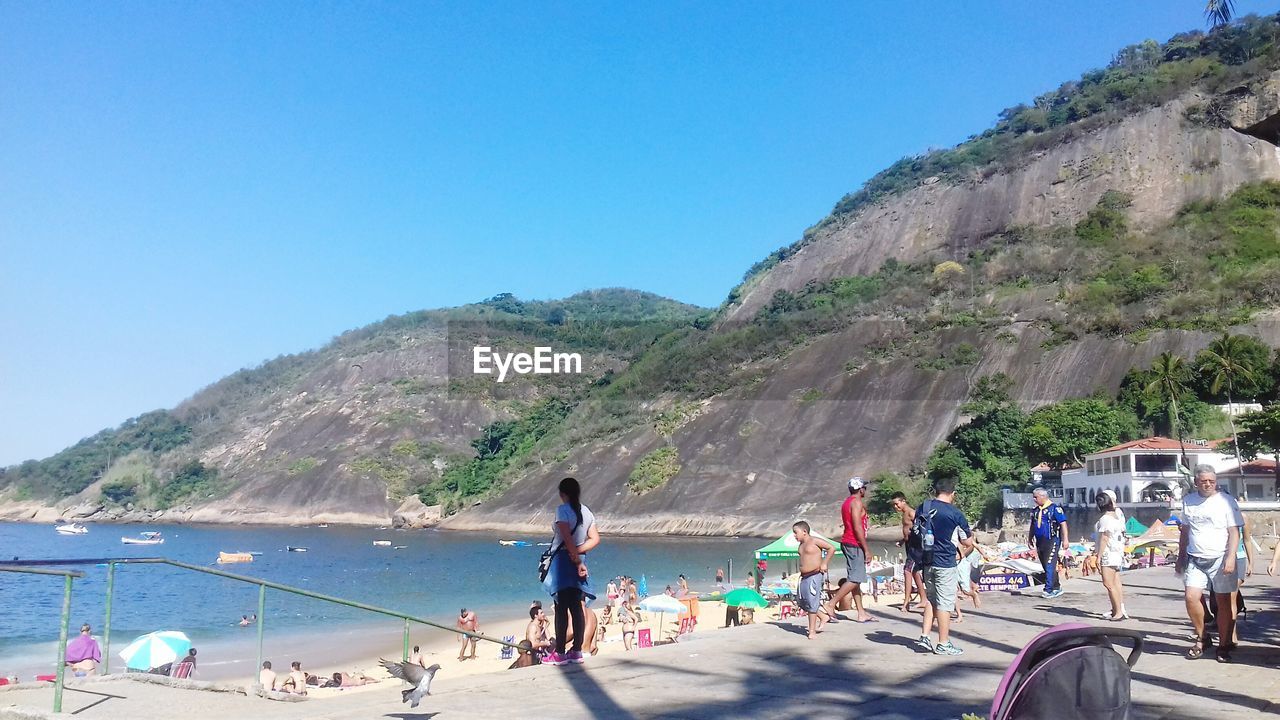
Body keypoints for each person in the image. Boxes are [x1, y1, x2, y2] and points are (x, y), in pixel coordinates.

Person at [1176, 466, 1243, 663]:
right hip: (1195, 558)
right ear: (1196, 482)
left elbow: (1234, 532)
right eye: (1204, 481)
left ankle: (1224, 645)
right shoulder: (1189, 501)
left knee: (1223, 603)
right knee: (1191, 597)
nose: (1208, 484)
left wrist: (1231, 557)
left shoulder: (1226, 501)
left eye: (1211, 481)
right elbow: (1185, 531)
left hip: (1220, 557)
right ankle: (1203, 637)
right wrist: (1180, 557)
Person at [543, 476, 600, 666]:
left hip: (563, 563)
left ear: (562, 494)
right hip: (579, 560)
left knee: (561, 608)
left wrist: (575, 558)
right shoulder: (587, 511)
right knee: (577, 607)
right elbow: (594, 539)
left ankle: (559, 653)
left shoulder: (562, 510)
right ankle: (576, 651)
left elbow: (566, 538)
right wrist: (580, 554)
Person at [914, 475, 974, 657]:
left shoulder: (923, 507)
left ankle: (924, 636)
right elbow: (967, 541)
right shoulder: (955, 514)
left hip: (926, 561)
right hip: (945, 562)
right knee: (945, 604)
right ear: (952, 493)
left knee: (931, 599)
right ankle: (943, 643)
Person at [825, 477, 874, 622]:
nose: (865, 490)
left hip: (847, 542)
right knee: (855, 578)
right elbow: (857, 526)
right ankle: (831, 604)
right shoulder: (856, 502)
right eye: (864, 487)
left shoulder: (847, 502)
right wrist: (866, 549)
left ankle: (861, 612)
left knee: (855, 579)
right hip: (854, 543)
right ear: (860, 489)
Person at [791, 520, 834, 639]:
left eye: (796, 532)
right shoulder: (801, 545)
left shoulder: (814, 541)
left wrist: (824, 563)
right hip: (804, 576)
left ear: (804, 531)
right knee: (801, 601)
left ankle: (812, 631)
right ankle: (823, 617)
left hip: (815, 575)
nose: (794, 535)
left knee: (811, 602)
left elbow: (831, 548)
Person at [1028, 487, 1069, 599]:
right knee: (1046, 565)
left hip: (1052, 540)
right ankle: (1056, 587)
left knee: (1050, 564)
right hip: (1040, 542)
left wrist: (1065, 539)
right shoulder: (1035, 511)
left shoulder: (1055, 509)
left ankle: (1048, 589)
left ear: (1043, 496)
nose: (1034, 499)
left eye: (1036, 497)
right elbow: (1033, 525)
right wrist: (1030, 537)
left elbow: (1063, 524)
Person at [1094, 490, 1128, 621]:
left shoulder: (1105, 519)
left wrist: (1098, 556)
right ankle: (1118, 609)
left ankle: (1118, 611)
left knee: (1108, 583)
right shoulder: (1116, 516)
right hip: (1116, 552)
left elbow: (1104, 538)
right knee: (1115, 582)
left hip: (1108, 554)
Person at [890, 491, 925, 613]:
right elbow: (908, 531)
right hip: (909, 546)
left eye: (897, 504)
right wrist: (902, 541)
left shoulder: (911, 513)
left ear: (903, 501)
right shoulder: (904, 514)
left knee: (907, 571)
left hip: (916, 547)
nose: (896, 507)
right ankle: (923, 599)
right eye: (894, 505)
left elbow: (920, 528)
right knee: (914, 572)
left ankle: (906, 602)